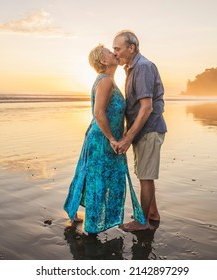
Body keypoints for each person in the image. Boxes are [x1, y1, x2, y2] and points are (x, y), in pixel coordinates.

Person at [63, 44, 146, 234]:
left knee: (93, 176)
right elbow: (98, 113)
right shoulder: (105, 81)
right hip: (102, 139)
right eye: (110, 52)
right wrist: (112, 138)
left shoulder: (108, 80)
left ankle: (82, 215)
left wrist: (123, 134)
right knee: (97, 179)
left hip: (104, 138)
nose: (114, 53)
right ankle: (92, 224)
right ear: (102, 61)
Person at [113, 30, 167, 231]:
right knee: (145, 174)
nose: (115, 53)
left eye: (118, 49)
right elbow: (135, 107)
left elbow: (146, 107)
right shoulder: (133, 69)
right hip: (144, 131)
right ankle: (152, 213)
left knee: (145, 176)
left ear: (131, 47)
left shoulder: (142, 67)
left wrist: (127, 138)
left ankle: (142, 222)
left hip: (149, 130)